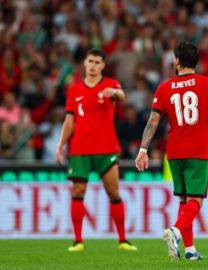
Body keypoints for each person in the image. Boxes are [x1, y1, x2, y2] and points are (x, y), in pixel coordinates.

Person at [135, 42, 208, 261]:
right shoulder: (207, 83)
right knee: (196, 201)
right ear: (196, 61)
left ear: (176, 61)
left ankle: (189, 250)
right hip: (198, 150)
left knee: (184, 200)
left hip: (174, 151)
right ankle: (175, 231)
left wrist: (143, 150)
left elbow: (153, 121)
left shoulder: (164, 87)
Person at [56, 49, 137, 251]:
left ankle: (122, 240)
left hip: (106, 148)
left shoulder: (110, 84)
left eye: (97, 62)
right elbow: (69, 120)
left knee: (114, 192)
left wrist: (114, 94)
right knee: (78, 191)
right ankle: (78, 241)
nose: (93, 65)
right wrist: (61, 144)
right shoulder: (74, 90)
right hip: (80, 149)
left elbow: (122, 95)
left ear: (103, 65)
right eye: (90, 61)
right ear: (85, 63)